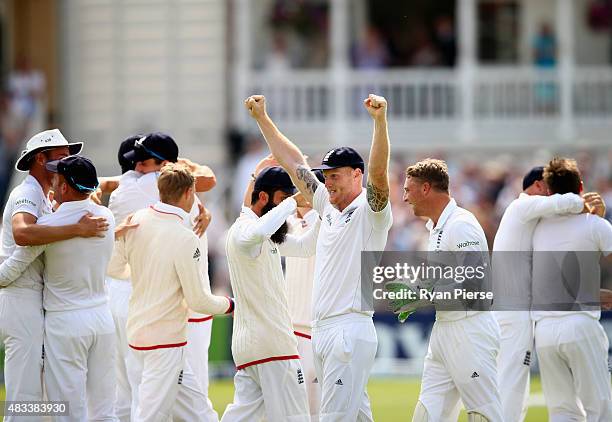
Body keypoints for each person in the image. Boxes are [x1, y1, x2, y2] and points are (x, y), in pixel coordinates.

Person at [244, 93, 392, 421]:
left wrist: (380, 123)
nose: (328, 182)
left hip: (348, 329)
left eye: (335, 175)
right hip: (323, 330)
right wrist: (262, 119)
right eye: (326, 176)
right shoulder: (327, 205)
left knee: (332, 417)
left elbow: (379, 176)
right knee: (356, 416)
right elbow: (294, 163)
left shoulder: (372, 211)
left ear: (357, 174)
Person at [103, 132, 218, 421]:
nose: (138, 167)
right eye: (136, 162)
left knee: (132, 391)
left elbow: (106, 182)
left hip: (126, 297)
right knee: (157, 396)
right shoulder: (150, 185)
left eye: (144, 161)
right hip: (163, 302)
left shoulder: (127, 187)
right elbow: (209, 178)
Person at [0, 155, 117, 421]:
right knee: (104, 411)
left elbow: (8, 273)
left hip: (65, 324)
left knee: (67, 412)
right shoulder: (107, 216)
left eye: (56, 178)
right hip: (102, 319)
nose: (51, 183)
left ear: (63, 186)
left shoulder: (48, 225)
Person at [492, 166, 604, 422]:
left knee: (514, 382)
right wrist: (586, 203)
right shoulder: (522, 206)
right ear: (538, 187)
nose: (552, 191)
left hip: (515, 311)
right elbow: (563, 202)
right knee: (512, 382)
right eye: (549, 185)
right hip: (513, 312)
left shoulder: (529, 218)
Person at [401, 158, 502, 421]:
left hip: (470, 330)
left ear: (425, 189)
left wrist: (423, 294)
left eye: (408, 190)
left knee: (484, 414)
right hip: (444, 330)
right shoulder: (435, 227)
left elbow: (474, 282)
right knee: (427, 414)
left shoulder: (461, 224)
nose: (404, 198)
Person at [221, 165, 319, 421]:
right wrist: (291, 204)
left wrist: (325, 210)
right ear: (263, 198)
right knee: (296, 417)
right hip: (274, 347)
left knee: (242, 416)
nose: (289, 207)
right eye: (282, 198)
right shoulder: (246, 229)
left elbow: (306, 247)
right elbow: (254, 233)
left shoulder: (266, 235)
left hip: (251, 349)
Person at [531, 158, 612, 421]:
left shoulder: (536, 227)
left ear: (549, 191)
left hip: (543, 330)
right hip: (580, 326)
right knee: (600, 409)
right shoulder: (595, 224)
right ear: (580, 186)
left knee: (562, 412)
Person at [285, 169, 325, 421]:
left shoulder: (325, 224)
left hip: (314, 327)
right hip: (289, 326)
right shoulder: (286, 223)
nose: (296, 192)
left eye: (303, 187)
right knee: (288, 404)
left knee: (315, 406)